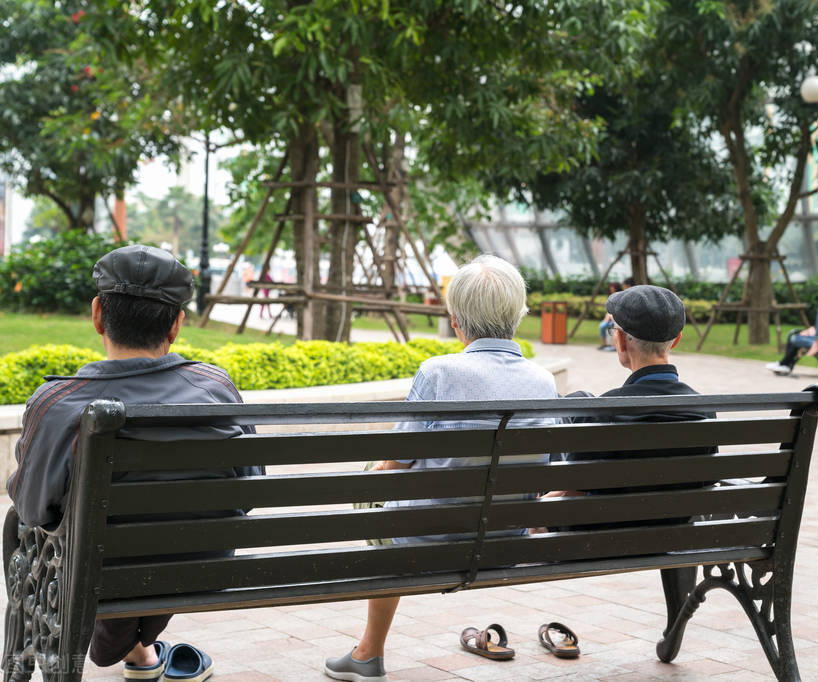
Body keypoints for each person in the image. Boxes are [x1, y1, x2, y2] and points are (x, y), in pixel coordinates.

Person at [6, 245, 261, 682]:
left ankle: (77, 652)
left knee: (21, 525)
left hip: (97, 574)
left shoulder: (59, 404)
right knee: (148, 535)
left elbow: (34, 508)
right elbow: (250, 487)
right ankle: (138, 649)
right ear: (177, 325)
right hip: (202, 564)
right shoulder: (217, 388)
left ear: (98, 315)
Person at [324, 254, 559, 682]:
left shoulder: (438, 372)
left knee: (375, 486)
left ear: (456, 321)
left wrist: (378, 469)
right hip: (507, 536)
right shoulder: (544, 381)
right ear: (518, 316)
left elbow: (400, 457)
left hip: (429, 534)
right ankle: (366, 651)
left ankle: (369, 652)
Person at [544, 285, 715, 517]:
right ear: (676, 341)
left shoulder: (602, 412)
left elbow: (572, 495)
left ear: (622, 341)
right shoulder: (705, 411)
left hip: (599, 543)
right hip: (675, 539)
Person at [597, 281, 624, 351]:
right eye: (611, 289)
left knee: (614, 326)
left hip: (617, 318)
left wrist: (612, 317)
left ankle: (613, 345)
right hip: (610, 318)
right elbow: (608, 310)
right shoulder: (609, 297)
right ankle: (604, 344)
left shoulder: (621, 297)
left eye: (613, 289)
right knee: (602, 326)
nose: (612, 290)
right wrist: (606, 317)